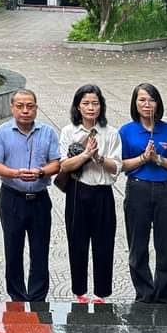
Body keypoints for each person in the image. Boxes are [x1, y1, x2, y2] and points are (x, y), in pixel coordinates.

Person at [0, 88, 61, 302]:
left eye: (30, 106)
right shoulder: (1, 133)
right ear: (12, 108)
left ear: (36, 108)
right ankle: (17, 296)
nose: (25, 111)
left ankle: (38, 297)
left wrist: (41, 172)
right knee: (13, 249)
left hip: (39, 198)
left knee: (40, 249)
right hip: (12, 197)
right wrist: (14, 173)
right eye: (20, 106)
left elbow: (56, 163)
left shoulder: (47, 132)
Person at [119, 82, 167, 304]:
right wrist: (143, 158)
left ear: (158, 103)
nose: (146, 104)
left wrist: (159, 159)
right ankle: (145, 294)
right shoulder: (126, 131)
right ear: (135, 103)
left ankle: (163, 295)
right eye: (141, 100)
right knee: (138, 246)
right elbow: (121, 165)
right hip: (138, 189)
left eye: (151, 99)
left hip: (166, 192)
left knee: (165, 246)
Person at [58, 84, 121, 304]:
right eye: (86, 103)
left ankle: (101, 293)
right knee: (77, 241)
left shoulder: (111, 133)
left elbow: (117, 167)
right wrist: (86, 155)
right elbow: (64, 165)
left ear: (101, 106)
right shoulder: (69, 131)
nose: (91, 108)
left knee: (104, 243)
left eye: (95, 103)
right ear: (78, 106)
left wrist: (100, 159)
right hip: (77, 191)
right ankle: (80, 292)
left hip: (103, 194)